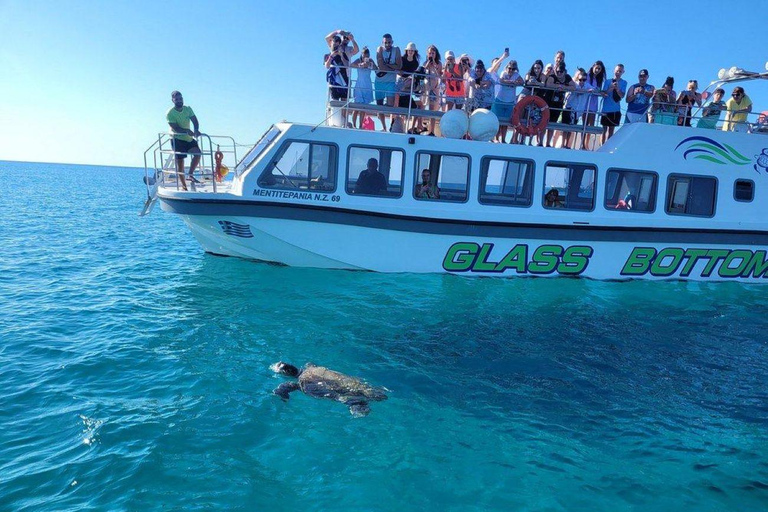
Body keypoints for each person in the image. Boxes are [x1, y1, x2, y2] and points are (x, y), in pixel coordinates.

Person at [166, 90, 201, 191]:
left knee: (198, 154)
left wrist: (196, 130)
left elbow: (195, 120)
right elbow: (175, 127)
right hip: (177, 139)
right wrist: (186, 131)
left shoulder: (188, 109)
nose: (179, 101)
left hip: (188, 139)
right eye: (176, 99)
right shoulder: (170, 113)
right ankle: (184, 186)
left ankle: (190, 174)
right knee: (180, 163)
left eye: (180, 99)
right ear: (173, 100)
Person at [375, 34, 402, 131]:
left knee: (390, 105)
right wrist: (392, 66)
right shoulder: (379, 49)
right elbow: (381, 67)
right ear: (383, 42)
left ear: (392, 42)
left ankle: (391, 125)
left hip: (391, 81)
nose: (387, 44)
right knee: (379, 105)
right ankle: (384, 127)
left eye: (389, 42)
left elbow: (399, 66)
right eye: (385, 42)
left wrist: (386, 65)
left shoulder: (397, 49)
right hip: (379, 81)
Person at [493, 60, 524, 142]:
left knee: (506, 122)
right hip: (500, 99)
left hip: (510, 101)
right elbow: (501, 80)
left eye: (513, 69)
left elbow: (522, 82)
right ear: (507, 67)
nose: (511, 70)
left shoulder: (516, 75)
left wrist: (512, 82)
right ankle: (496, 138)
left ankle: (503, 139)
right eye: (509, 68)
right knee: (498, 120)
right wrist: (513, 82)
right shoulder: (503, 73)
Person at [545, 62, 574, 147]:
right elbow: (548, 84)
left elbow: (573, 87)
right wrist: (558, 86)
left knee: (553, 123)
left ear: (565, 71)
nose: (559, 73)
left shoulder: (567, 77)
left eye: (561, 71)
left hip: (558, 104)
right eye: (558, 71)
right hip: (548, 103)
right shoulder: (552, 76)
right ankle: (542, 142)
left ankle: (548, 143)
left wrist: (563, 87)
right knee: (545, 122)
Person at [561, 68, 589, 149]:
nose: (582, 81)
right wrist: (582, 91)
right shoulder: (573, 84)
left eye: (584, 79)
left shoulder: (586, 85)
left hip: (577, 110)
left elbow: (594, 89)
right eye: (580, 79)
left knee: (571, 128)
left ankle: (567, 144)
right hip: (569, 107)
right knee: (565, 127)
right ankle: (563, 144)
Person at [350, 47, 377, 128]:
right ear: (362, 55)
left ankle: (360, 125)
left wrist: (370, 65)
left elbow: (377, 69)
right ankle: (354, 125)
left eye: (367, 56)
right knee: (356, 107)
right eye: (364, 56)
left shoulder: (370, 61)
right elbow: (351, 65)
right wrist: (360, 65)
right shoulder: (358, 60)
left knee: (363, 108)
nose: (366, 57)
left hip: (367, 85)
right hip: (359, 85)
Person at [601, 64, 627, 144]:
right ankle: (602, 145)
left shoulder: (624, 82)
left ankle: (608, 145)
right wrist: (611, 87)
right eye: (617, 71)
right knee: (603, 130)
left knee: (611, 129)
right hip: (605, 109)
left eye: (620, 71)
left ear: (623, 72)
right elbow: (603, 94)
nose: (618, 73)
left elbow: (622, 95)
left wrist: (617, 88)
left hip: (615, 109)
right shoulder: (607, 81)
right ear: (614, 71)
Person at [584, 61, 606, 148]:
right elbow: (587, 85)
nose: (597, 70)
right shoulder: (587, 76)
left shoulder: (599, 79)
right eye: (596, 68)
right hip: (586, 102)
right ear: (593, 67)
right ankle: (583, 143)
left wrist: (600, 91)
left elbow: (599, 89)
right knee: (584, 124)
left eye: (599, 69)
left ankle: (586, 144)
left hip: (593, 103)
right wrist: (596, 90)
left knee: (591, 125)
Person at [422, 45, 442, 135]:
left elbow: (439, 75)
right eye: (430, 53)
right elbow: (423, 72)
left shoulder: (439, 63)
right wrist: (427, 64)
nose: (431, 54)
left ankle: (432, 130)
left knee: (432, 110)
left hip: (434, 89)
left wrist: (434, 65)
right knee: (423, 107)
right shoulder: (425, 62)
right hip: (426, 89)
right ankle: (422, 126)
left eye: (433, 53)